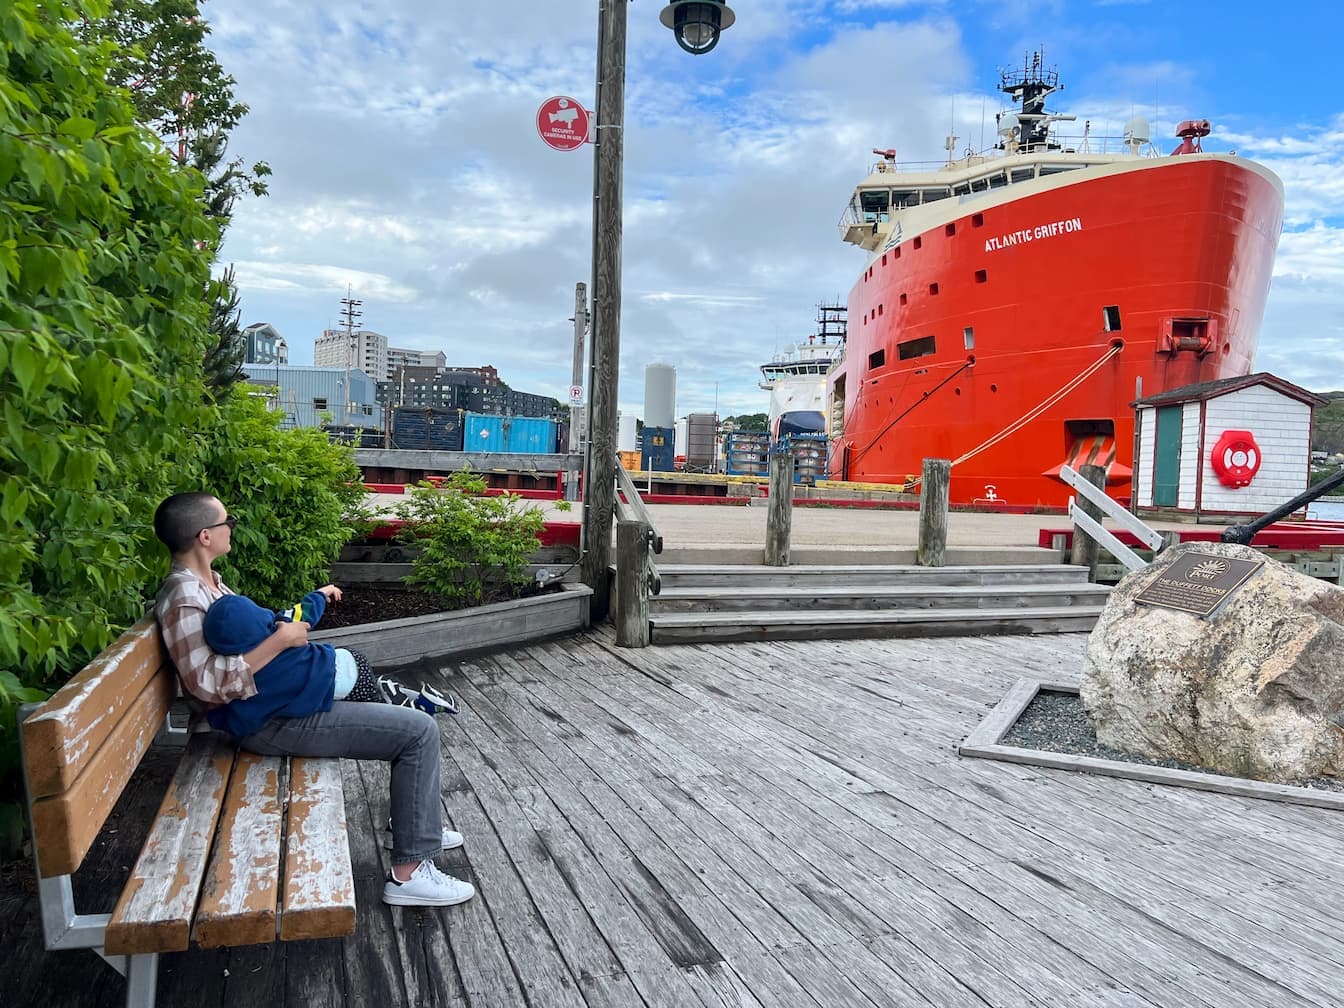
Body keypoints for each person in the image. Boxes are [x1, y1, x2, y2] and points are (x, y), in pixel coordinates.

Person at [152, 491, 473, 908]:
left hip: (276, 707)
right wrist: (281, 640)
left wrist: (291, 624)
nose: (232, 526)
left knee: (400, 720)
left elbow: (253, 636)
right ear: (205, 537)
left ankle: (416, 824)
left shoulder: (206, 584)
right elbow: (204, 687)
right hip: (266, 723)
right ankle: (408, 875)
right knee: (418, 731)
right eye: (226, 521)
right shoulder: (183, 599)